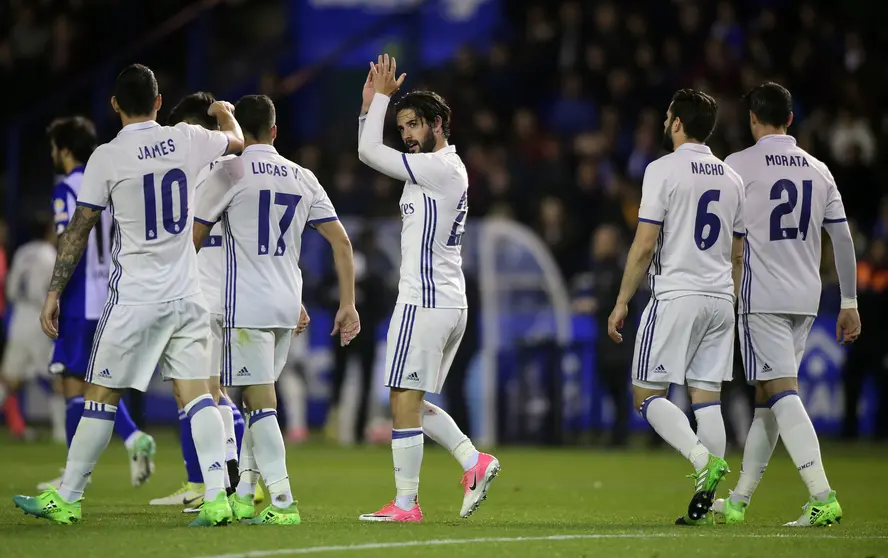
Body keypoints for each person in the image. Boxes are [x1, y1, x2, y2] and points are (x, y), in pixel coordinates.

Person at [12, 63, 245, 527]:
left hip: (134, 296)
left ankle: (69, 496)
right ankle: (218, 496)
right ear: (159, 102)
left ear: (115, 104)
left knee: (99, 396)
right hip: (187, 292)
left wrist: (54, 291)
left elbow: (78, 230)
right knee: (199, 396)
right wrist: (224, 112)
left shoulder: (106, 156)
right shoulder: (187, 138)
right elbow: (237, 141)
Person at [193, 94, 360, 525]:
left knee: (260, 405)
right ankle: (246, 494)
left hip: (246, 307)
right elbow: (342, 242)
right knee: (255, 405)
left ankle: (283, 502)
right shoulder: (303, 176)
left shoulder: (229, 170)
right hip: (288, 306)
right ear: (274, 130)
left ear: (240, 134)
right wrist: (347, 304)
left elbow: (194, 236)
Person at [356, 54, 500, 523]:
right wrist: (369, 111)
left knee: (402, 397)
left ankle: (406, 503)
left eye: (415, 125)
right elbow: (373, 150)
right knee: (410, 398)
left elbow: (367, 153)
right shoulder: (435, 170)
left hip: (426, 299)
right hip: (443, 298)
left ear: (439, 124)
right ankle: (472, 461)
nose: (408, 136)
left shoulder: (441, 168)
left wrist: (377, 102)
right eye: (403, 129)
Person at [713, 82, 859, 527]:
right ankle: (739, 500)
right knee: (767, 398)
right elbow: (843, 238)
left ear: (753, 120)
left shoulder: (737, 165)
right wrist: (849, 301)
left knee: (780, 393)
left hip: (761, 298)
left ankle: (822, 495)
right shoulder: (819, 170)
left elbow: (722, 232)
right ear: (790, 119)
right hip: (806, 297)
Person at [607, 89, 744, 525]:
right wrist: (732, 300)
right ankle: (706, 504)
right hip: (721, 298)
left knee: (646, 395)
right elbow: (739, 254)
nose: (665, 124)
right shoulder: (731, 177)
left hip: (677, 295)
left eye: (668, 118)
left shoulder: (661, 169)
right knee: (707, 402)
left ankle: (702, 459)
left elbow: (645, 243)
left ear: (678, 123)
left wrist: (623, 300)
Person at [148, 91, 257, 510]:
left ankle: (221, 478)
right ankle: (224, 477)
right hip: (223, 286)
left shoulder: (200, 165)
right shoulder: (232, 167)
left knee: (199, 390)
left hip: (198, 286)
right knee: (208, 391)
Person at [39, 116, 156, 491]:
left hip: (79, 300)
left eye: (55, 147)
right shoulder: (109, 181)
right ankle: (81, 470)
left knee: (75, 387)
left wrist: (54, 294)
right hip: (112, 296)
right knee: (97, 384)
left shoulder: (68, 188)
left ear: (65, 149)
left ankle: (87, 468)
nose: (53, 154)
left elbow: (68, 240)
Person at [0, 213, 57, 437]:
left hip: (19, 318)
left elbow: (11, 288)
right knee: (57, 377)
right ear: (48, 232)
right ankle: (62, 433)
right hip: (39, 317)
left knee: (9, 378)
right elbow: (53, 289)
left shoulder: (22, 253)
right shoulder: (49, 255)